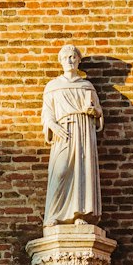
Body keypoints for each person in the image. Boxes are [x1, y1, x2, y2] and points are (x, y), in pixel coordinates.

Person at [41, 42, 104, 228]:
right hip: (63, 131)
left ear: (78, 61)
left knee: (82, 172)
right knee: (60, 171)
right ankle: (53, 214)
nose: (70, 60)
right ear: (60, 61)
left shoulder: (86, 86)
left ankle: (80, 214)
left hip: (84, 131)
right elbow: (47, 113)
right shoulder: (52, 86)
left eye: (73, 57)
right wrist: (52, 125)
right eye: (66, 57)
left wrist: (95, 112)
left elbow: (98, 110)